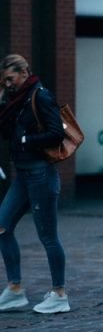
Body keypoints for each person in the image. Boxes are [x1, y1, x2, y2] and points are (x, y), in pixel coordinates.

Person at [0, 54, 70, 314]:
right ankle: (15, 290)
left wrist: (27, 141)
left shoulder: (40, 95)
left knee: (48, 236)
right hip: (22, 176)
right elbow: (6, 134)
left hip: (42, 174)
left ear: (23, 72)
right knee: (2, 226)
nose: (8, 83)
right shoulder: (15, 101)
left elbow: (57, 133)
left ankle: (59, 293)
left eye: (10, 78)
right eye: (4, 80)